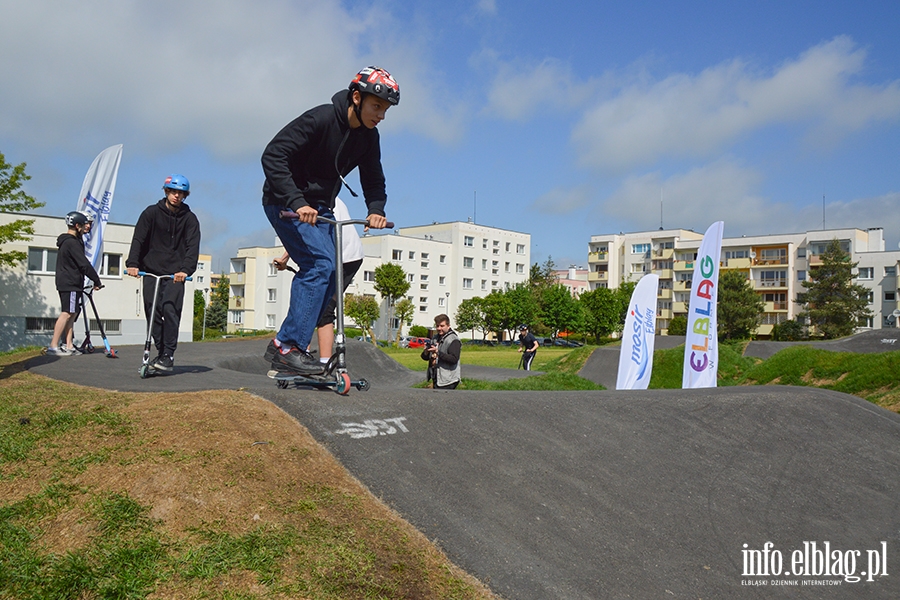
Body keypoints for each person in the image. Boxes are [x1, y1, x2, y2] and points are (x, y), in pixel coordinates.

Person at [261, 66, 398, 375]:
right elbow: (273, 155)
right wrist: (297, 201)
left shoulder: (368, 138)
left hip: (321, 208)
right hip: (284, 202)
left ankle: (288, 345)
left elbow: (374, 179)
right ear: (356, 97)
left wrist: (376, 209)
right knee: (319, 264)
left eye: (386, 110)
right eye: (377, 106)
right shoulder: (320, 119)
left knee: (332, 269)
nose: (382, 115)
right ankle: (288, 346)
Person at [269, 197, 364, 365]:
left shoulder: (321, 199)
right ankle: (302, 352)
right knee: (316, 303)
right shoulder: (322, 198)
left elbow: (310, 235)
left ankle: (321, 363)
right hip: (346, 256)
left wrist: (285, 257)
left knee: (322, 308)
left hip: (345, 257)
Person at [126, 174, 201, 371]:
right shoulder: (150, 214)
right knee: (152, 311)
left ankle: (168, 354)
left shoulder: (190, 219)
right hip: (151, 271)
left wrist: (186, 270)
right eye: (173, 192)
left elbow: (193, 247)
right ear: (166, 192)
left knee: (170, 310)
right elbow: (138, 240)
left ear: (185, 195)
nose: (177, 196)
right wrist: (133, 263)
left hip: (175, 275)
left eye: (181, 193)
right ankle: (160, 352)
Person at [46, 211, 103, 356]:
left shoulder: (71, 241)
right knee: (67, 313)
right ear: (77, 226)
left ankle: (69, 344)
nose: (87, 227)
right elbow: (83, 264)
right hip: (70, 282)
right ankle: (53, 345)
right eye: (84, 225)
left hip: (71, 282)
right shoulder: (71, 243)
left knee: (73, 313)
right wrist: (96, 280)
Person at [421, 314, 461, 389]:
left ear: (448, 326)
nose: (439, 328)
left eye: (442, 326)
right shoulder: (435, 338)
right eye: (437, 326)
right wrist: (426, 351)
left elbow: (454, 359)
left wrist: (437, 352)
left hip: (448, 380)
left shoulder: (453, 340)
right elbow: (425, 358)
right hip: (436, 377)